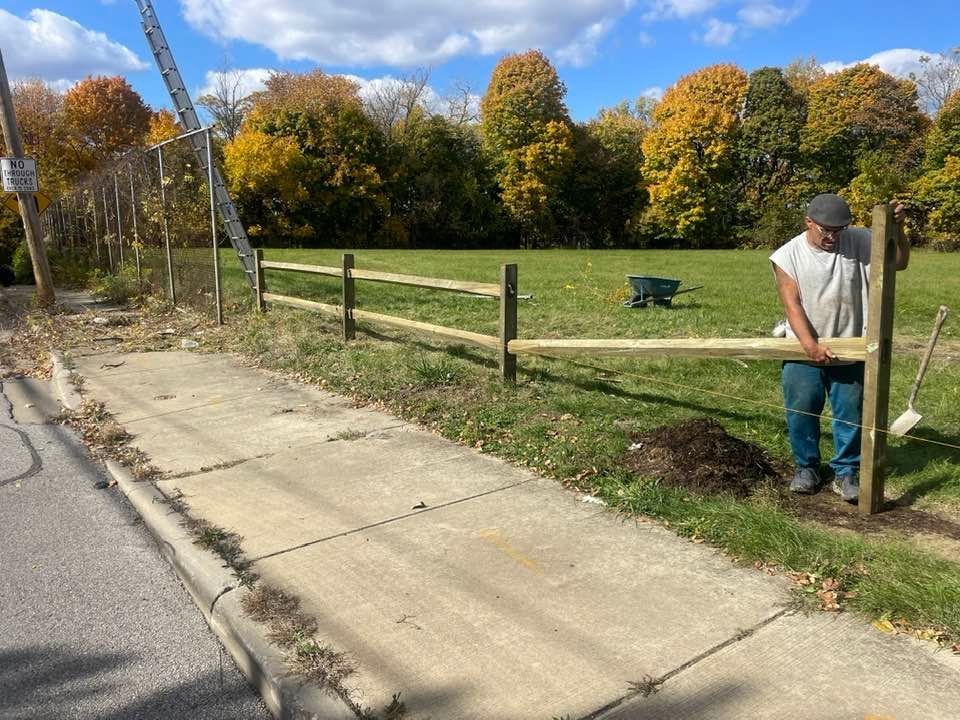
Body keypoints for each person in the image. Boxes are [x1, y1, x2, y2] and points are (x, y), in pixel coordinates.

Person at [770, 193, 909, 503]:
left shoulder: (860, 240)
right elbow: (791, 304)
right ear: (809, 222)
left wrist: (898, 229)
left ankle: (846, 472)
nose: (833, 237)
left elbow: (898, 262)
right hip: (802, 348)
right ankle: (806, 468)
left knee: (850, 414)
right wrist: (810, 345)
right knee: (801, 410)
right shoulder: (787, 255)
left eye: (839, 230)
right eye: (825, 230)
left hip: (851, 346)